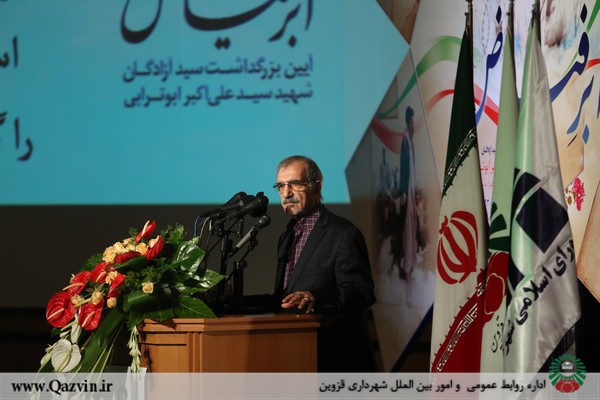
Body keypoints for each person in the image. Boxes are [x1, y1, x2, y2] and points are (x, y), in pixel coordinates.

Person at [270, 155, 377, 372]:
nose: (286, 193)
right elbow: (284, 297)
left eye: (295, 184)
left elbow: (360, 291)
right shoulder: (287, 237)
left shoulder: (343, 233)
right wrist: (235, 300)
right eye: (281, 186)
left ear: (317, 186)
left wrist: (315, 297)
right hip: (296, 354)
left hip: (336, 357)